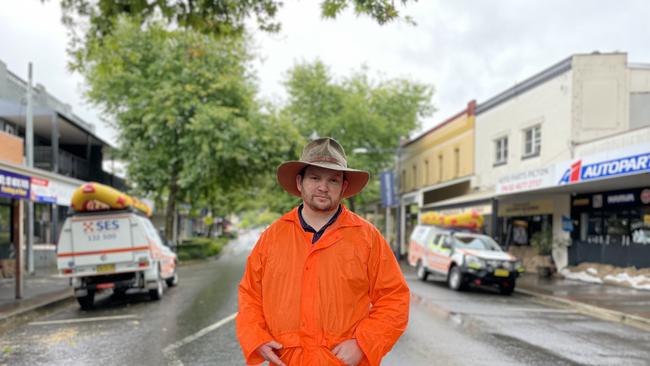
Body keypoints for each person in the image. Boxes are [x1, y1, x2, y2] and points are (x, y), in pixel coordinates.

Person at [236, 137, 410, 366]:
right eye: (315, 177)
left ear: (344, 187)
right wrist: (257, 338)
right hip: (287, 360)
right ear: (300, 182)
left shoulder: (367, 238)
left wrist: (362, 343)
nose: (323, 187)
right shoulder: (272, 237)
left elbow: (394, 298)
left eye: (333, 180)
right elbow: (250, 294)